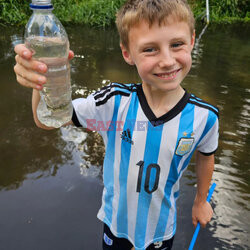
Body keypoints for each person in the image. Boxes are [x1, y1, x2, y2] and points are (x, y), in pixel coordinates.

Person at [14, 0, 219, 249]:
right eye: (150, 49)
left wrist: (200, 199)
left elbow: (206, 154)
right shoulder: (112, 103)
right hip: (116, 228)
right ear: (127, 53)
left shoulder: (205, 117)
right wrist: (41, 79)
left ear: (192, 40)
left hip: (161, 231)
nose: (167, 60)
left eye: (176, 44)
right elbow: (45, 121)